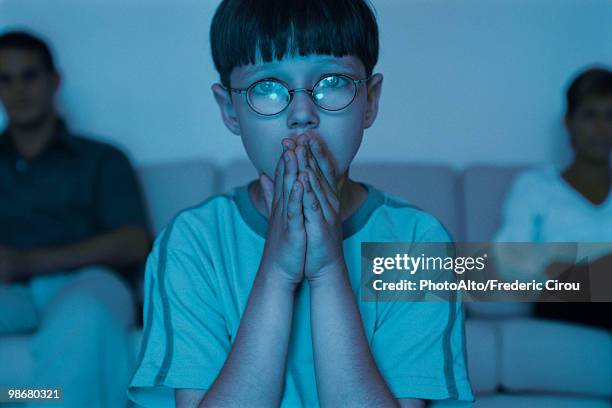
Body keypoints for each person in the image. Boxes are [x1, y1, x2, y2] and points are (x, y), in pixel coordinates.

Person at [129, 1, 474, 407]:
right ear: (230, 110)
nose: (302, 114)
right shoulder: (192, 242)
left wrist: (328, 270)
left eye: (332, 82)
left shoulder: (419, 242)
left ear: (370, 101)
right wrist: (277, 271)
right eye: (268, 88)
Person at [0, 31, 150, 406]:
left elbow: (134, 242)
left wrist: (27, 262)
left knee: (82, 317)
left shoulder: (102, 159)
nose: (18, 90)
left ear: (54, 81)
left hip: (91, 282)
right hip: (12, 293)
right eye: (4, 79)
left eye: (29, 75)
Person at [494, 67, 612, 329]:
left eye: (610, 116)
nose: (602, 128)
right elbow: (509, 257)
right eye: (590, 115)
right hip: (562, 298)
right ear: (569, 122)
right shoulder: (535, 185)